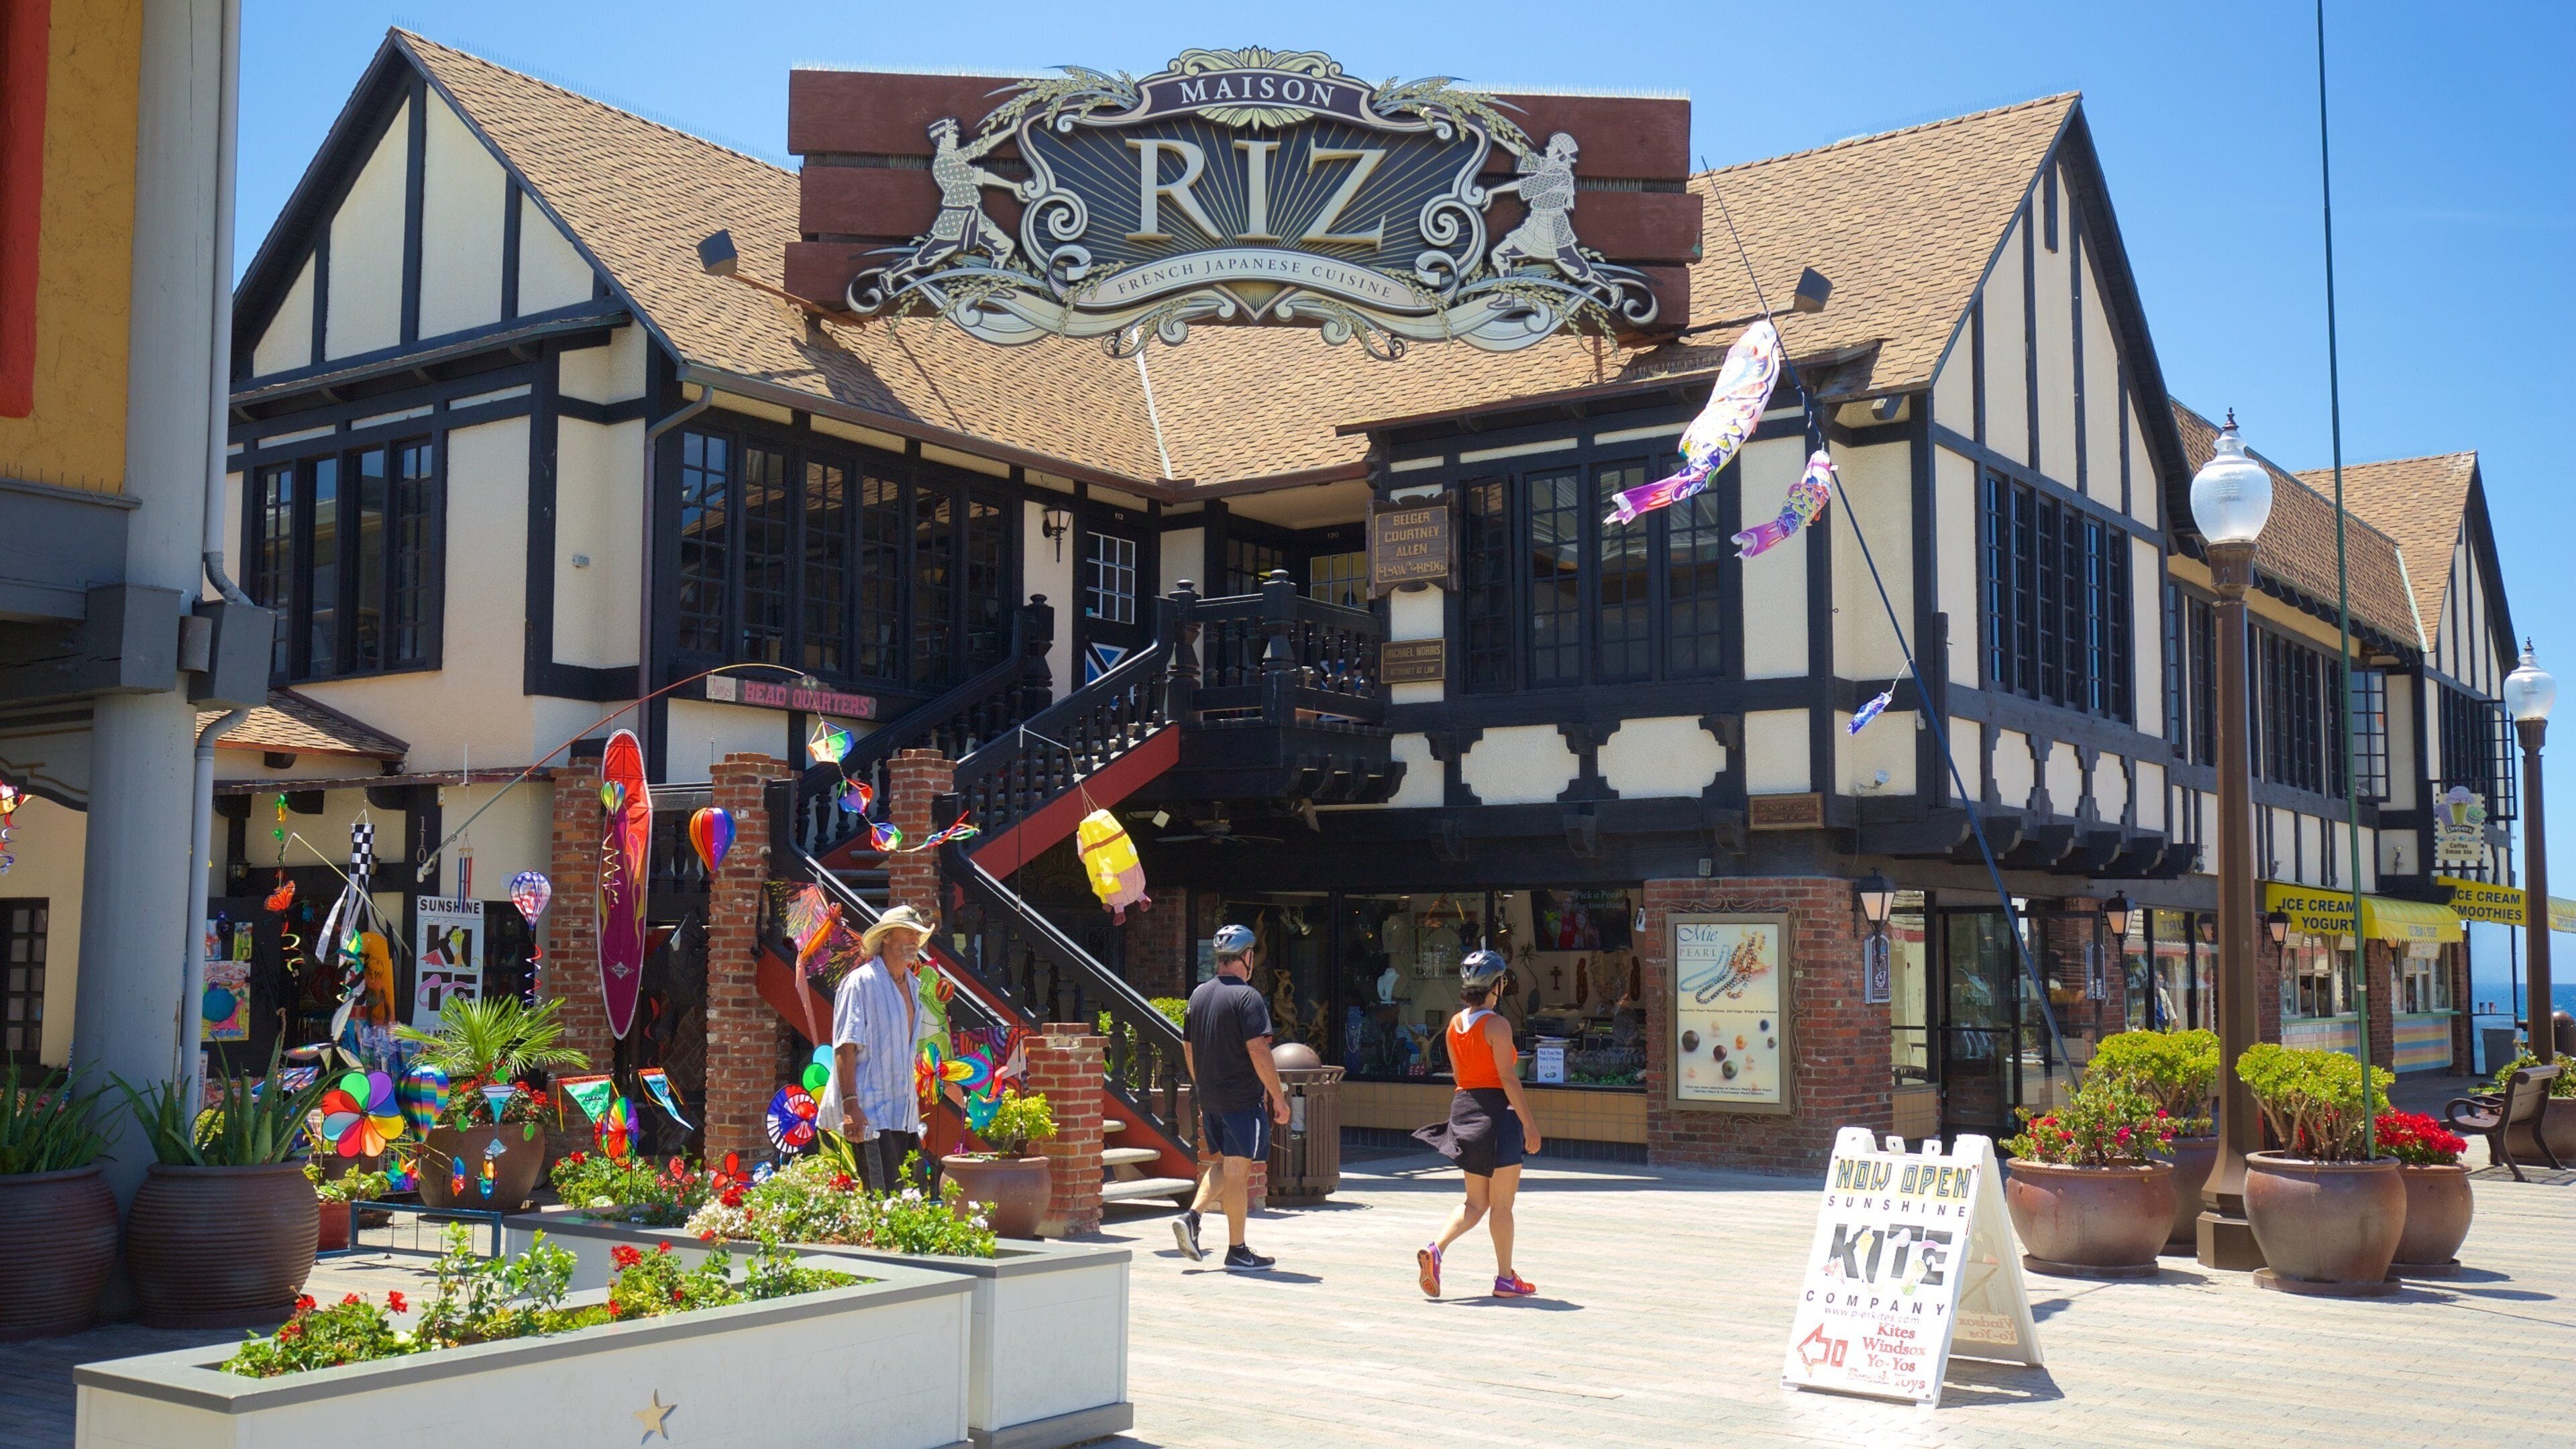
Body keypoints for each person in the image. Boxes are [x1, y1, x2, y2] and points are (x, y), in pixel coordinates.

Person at [1412, 949, 1542, 1298]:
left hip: (1464, 1110)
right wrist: (1530, 1125)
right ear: (1496, 986)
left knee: (1474, 1203)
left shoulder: (1455, 1024)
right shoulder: (1497, 1025)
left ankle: (1436, 1249)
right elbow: (1508, 1078)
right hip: (1498, 1115)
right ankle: (1505, 1279)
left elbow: (1459, 1075)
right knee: (1501, 1206)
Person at [1174, 923, 1291, 1271]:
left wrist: (1202, 1084)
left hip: (1210, 1098)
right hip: (1242, 1099)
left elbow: (1189, 1047)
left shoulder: (1198, 995)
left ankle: (1192, 1217)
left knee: (1225, 1164)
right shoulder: (1247, 997)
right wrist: (1278, 1097)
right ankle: (1237, 1250)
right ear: (1248, 957)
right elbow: (1258, 1050)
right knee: (1239, 1174)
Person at [818, 905, 942, 1191]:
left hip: (905, 1115)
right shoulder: (860, 983)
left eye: (918, 934)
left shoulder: (913, 985)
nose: (915, 938)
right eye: (908, 931)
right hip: (870, 1114)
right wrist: (851, 1106)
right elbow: (845, 1048)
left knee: (912, 1203)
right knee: (883, 1203)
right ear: (886, 937)